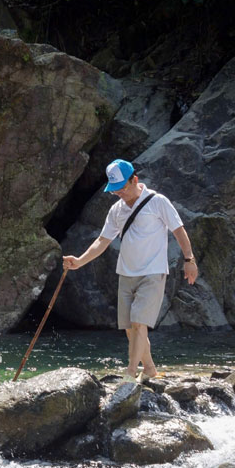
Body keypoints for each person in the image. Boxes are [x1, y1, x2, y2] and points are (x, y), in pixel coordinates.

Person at [64, 159, 198, 381]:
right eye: (114, 190)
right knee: (129, 328)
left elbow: (179, 230)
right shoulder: (117, 210)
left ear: (134, 180)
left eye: (122, 188)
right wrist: (79, 261)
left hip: (153, 272)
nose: (119, 194)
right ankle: (150, 370)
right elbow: (103, 240)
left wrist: (189, 259)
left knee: (138, 323)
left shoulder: (158, 202)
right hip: (126, 273)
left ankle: (130, 373)